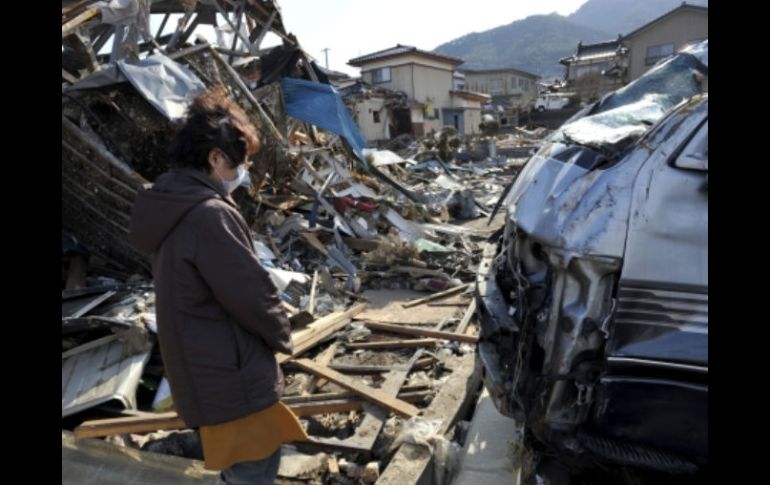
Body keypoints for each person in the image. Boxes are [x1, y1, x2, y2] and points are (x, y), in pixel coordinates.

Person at [128, 87, 307, 484]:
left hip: (204, 367)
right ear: (214, 158)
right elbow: (250, 293)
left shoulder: (170, 205)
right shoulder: (208, 215)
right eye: (240, 163)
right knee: (253, 466)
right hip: (230, 372)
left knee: (240, 463)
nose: (243, 173)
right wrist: (282, 332)